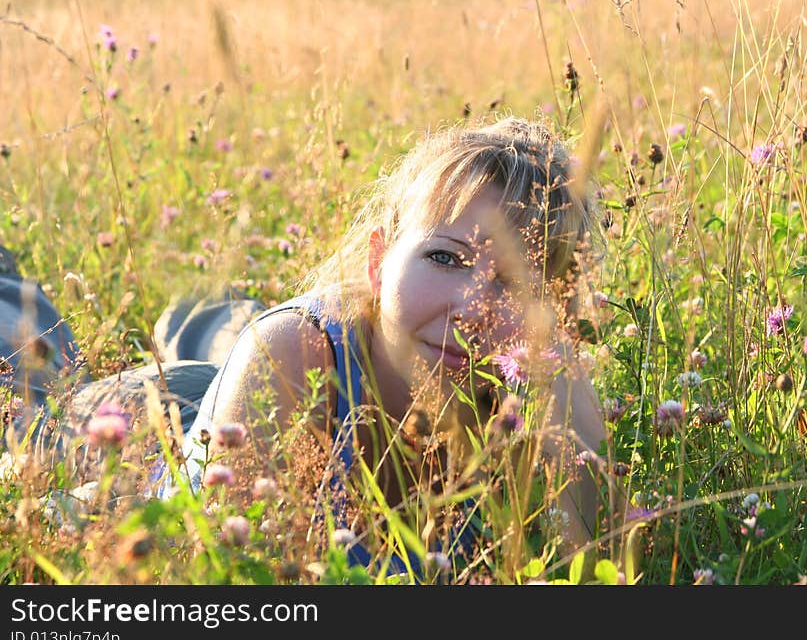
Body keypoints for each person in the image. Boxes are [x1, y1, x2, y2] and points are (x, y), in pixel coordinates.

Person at [3, 115, 608, 581]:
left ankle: (211, 314)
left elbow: (591, 571)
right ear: (377, 261)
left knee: (214, 329)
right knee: (34, 382)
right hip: (157, 430)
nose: (471, 306)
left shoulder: (540, 408)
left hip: (246, 387)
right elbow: (218, 577)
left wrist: (569, 412)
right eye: (445, 257)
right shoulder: (290, 352)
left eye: (516, 283)